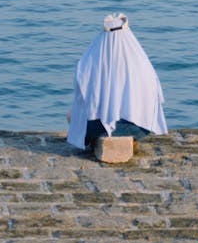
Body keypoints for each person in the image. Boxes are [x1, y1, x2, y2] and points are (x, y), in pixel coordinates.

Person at [67, 13, 168, 151]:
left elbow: (80, 95)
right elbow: (157, 96)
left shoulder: (89, 62)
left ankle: (100, 137)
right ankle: (130, 137)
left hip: (97, 129)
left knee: (72, 115)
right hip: (139, 128)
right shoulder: (141, 61)